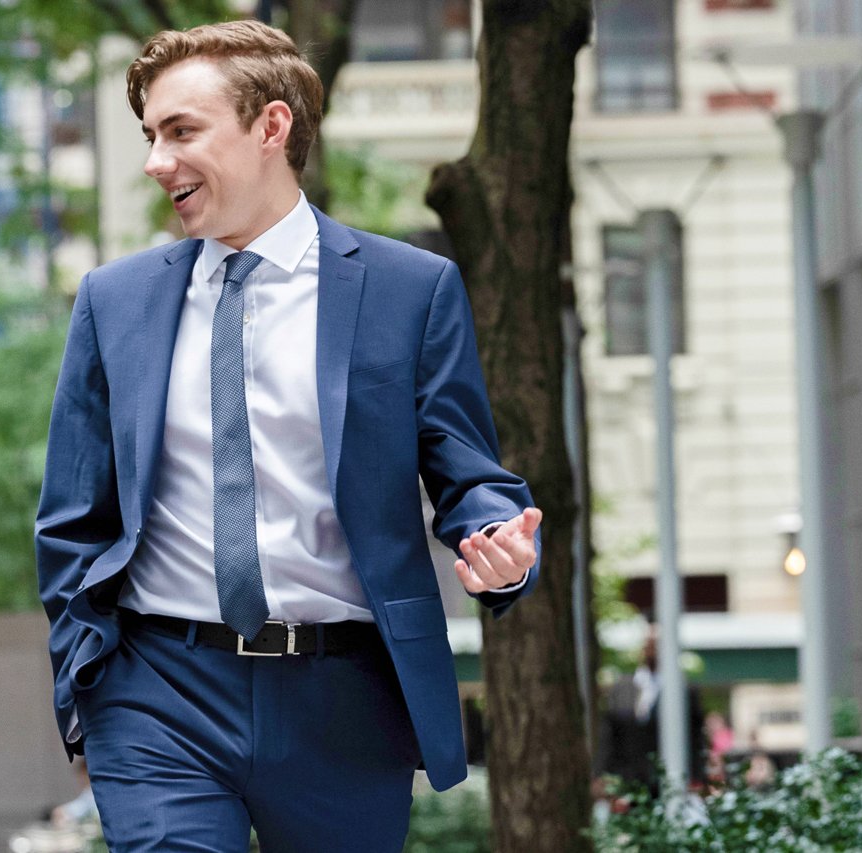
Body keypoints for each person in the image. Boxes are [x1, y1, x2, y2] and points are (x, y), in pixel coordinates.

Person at [34, 19, 542, 852]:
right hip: (160, 685)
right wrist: (84, 676)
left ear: (271, 127)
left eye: (181, 131)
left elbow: (466, 470)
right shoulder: (113, 301)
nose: (158, 161)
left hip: (343, 693)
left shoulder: (408, 290)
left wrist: (497, 538)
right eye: (150, 136)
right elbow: (72, 516)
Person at [597, 630, 707, 792]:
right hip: (627, 781)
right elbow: (609, 737)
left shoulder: (683, 692)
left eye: (657, 645)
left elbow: (695, 738)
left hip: (669, 780)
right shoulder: (621, 688)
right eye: (648, 645)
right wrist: (601, 775)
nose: (652, 649)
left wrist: (697, 777)